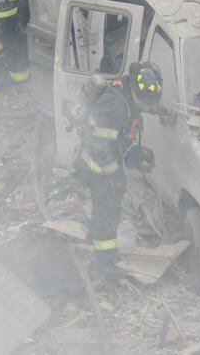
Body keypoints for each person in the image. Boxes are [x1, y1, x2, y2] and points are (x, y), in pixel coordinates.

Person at [65, 62, 175, 280]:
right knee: (108, 212)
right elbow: (104, 147)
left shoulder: (129, 93)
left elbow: (142, 106)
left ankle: (93, 242)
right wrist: (132, 156)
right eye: (144, 100)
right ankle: (103, 265)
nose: (146, 104)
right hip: (99, 168)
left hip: (109, 165)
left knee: (106, 211)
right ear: (133, 89)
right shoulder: (116, 107)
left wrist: (162, 111)